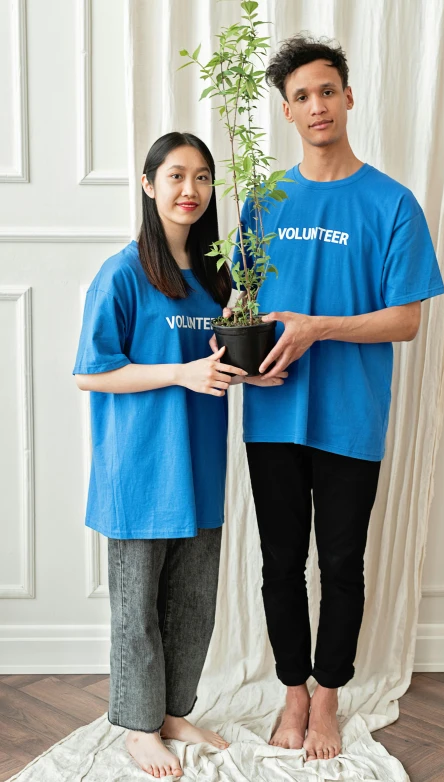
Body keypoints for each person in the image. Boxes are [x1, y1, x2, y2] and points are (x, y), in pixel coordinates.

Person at [218, 35, 444, 762]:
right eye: (301, 97)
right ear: (287, 113)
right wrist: (242, 363)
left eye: (327, 91)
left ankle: (328, 695)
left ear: (349, 97)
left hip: (352, 417)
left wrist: (320, 327)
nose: (317, 105)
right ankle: (290, 688)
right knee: (280, 563)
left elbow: (406, 319)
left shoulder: (392, 203)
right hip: (274, 414)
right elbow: (239, 307)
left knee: (341, 566)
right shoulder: (262, 199)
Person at [73, 132, 286, 779]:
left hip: (198, 467)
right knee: (136, 608)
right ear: (148, 185)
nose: (189, 190)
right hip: (138, 473)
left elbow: (213, 367)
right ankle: (138, 728)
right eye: (175, 177)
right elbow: (92, 372)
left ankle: (170, 712)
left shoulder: (215, 280)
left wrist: (250, 375)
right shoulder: (122, 274)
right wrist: (180, 374)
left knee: (192, 603)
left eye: (201, 178)